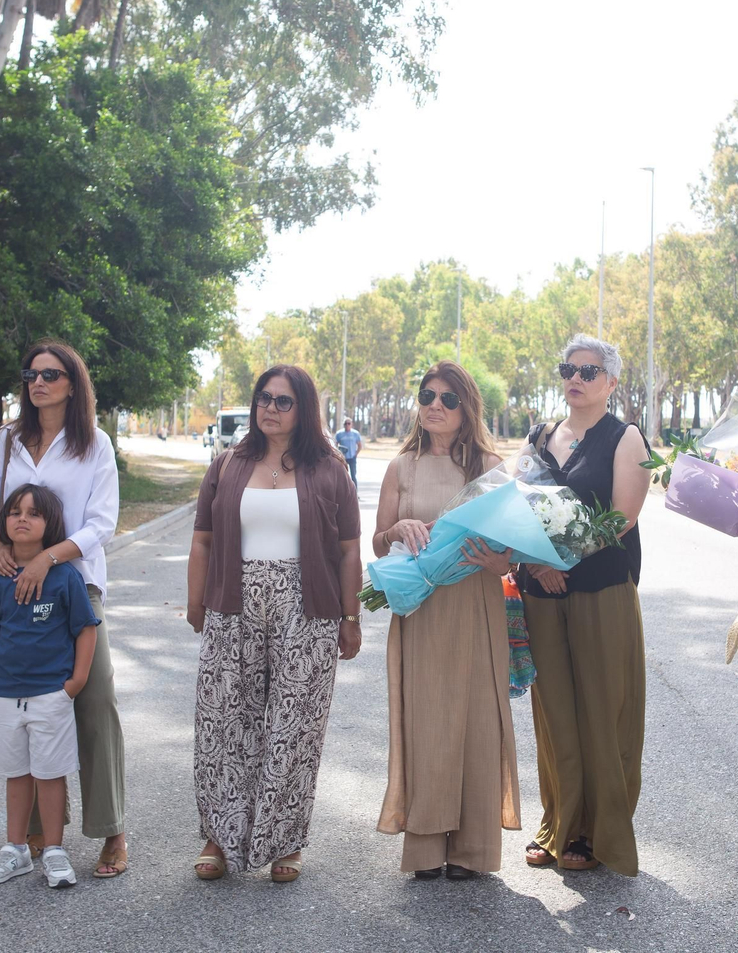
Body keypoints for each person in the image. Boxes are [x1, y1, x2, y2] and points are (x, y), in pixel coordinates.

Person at [187, 364, 364, 881]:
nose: (270, 408)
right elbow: (202, 539)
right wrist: (198, 602)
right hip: (233, 602)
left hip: (307, 610)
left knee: (294, 727)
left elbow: (350, 551)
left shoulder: (330, 469)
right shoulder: (227, 464)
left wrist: (351, 618)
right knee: (223, 724)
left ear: (303, 409)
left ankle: (285, 839)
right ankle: (219, 836)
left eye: (284, 401)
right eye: (264, 397)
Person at [0, 340, 128, 878]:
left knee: (94, 701)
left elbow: (102, 521)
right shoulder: (7, 443)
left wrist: (49, 559)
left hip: (76, 586)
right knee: (25, 701)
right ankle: (34, 832)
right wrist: (1, 549)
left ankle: (111, 830)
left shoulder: (95, 444)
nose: (39, 383)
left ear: (72, 383)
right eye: (32, 374)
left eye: (51, 374)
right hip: (14, 591)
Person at [374, 362, 521, 880]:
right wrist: (398, 528)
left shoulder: (490, 467)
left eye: (448, 398)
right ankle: (428, 848)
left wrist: (498, 562)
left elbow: (513, 556)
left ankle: (473, 850)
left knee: (478, 723)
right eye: (426, 395)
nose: (435, 404)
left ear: (467, 408)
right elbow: (377, 543)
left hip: (477, 605)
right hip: (423, 612)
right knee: (429, 723)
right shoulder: (401, 468)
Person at [516, 334, 651, 876]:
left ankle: (598, 833)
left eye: (589, 371)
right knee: (555, 716)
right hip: (539, 593)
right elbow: (510, 503)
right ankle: (559, 824)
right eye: (568, 368)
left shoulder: (626, 438)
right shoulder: (538, 437)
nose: (576, 378)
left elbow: (623, 517)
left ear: (611, 384)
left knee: (603, 710)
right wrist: (535, 561)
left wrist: (560, 558)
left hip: (601, 593)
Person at [0, 484, 100, 889]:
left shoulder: (65, 577)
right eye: (14, 512)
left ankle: (55, 851)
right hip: (5, 693)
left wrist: (75, 682)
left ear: (51, 525)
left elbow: (85, 630)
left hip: (51, 694)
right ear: (3, 522)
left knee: (50, 773)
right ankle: (16, 850)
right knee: (17, 774)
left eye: (33, 513)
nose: (22, 518)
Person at [336, 417, 363, 485]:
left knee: (353, 475)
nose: (347, 425)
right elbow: (335, 445)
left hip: (352, 457)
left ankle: (355, 493)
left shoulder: (355, 433)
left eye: (349, 423)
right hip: (343, 458)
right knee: (342, 476)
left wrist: (356, 453)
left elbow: (359, 445)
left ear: (351, 424)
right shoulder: (339, 434)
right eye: (345, 424)